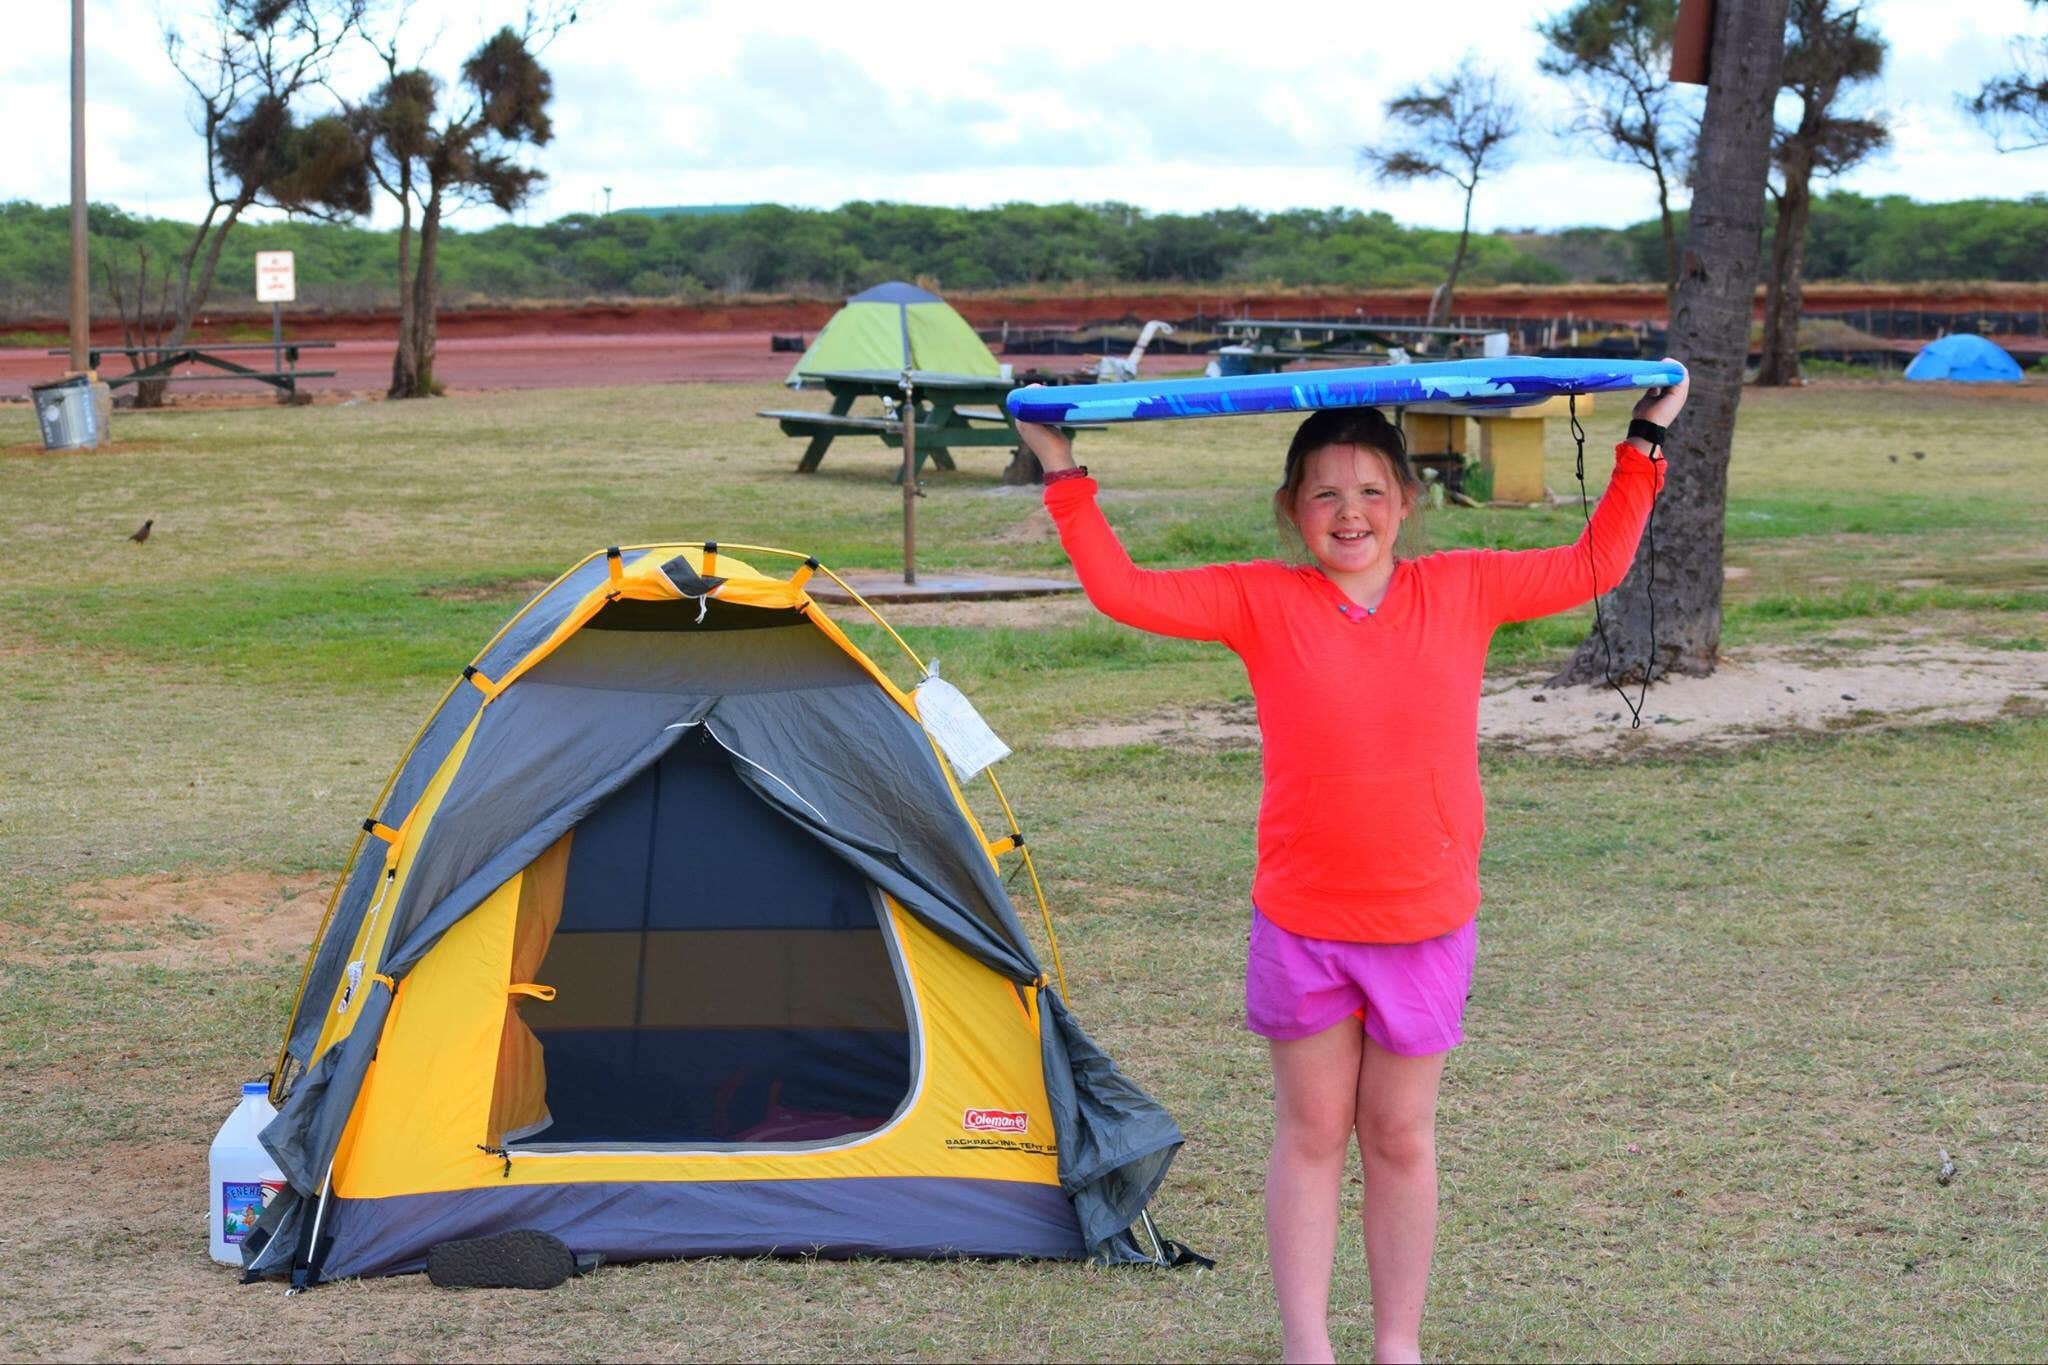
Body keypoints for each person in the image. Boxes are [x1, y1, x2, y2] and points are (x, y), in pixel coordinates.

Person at [1016, 365, 1688, 1365]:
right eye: (1323, 493)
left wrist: (1644, 438)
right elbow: (1121, 591)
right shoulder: (1259, 600)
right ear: (1290, 510)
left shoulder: (1460, 585)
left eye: (1371, 489)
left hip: (1423, 916)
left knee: (1399, 1136)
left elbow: (1590, 564)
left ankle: (1397, 1345)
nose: (1349, 512)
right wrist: (1061, 466)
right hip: (1303, 919)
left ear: (1406, 502)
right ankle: (1306, 1345)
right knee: (1312, 1130)